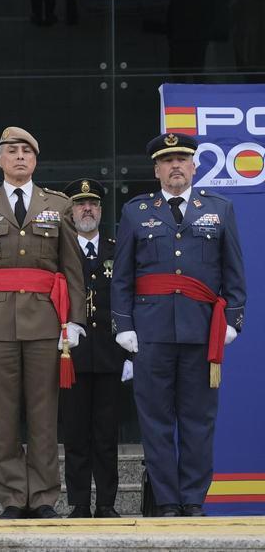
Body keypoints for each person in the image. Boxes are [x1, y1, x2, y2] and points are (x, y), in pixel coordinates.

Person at [110, 132, 246, 517]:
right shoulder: (136, 211)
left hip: (202, 332)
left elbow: (234, 272)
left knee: (198, 420)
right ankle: (167, 501)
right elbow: (122, 276)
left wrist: (233, 320)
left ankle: (193, 499)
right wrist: (123, 325)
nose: (175, 167)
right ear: (156, 169)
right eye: (167, 161)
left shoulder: (219, 209)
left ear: (194, 166)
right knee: (154, 420)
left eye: (182, 160)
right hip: (150, 333)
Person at [0, 126, 86, 519]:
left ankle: (44, 497)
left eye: (27, 152)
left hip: (46, 324)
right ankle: (13, 497)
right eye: (12, 151)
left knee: (45, 415)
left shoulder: (58, 204)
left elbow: (71, 268)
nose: (19, 158)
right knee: (5, 415)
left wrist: (74, 320)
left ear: (36, 160)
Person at [60, 178, 126, 519]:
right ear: (70, 212)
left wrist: (131, 355)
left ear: (101, 210)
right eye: (80, 204)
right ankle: (79, 503)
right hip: (71, 356)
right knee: (75, 433)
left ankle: (106, 503)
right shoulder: (60, 251)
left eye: (94, 204)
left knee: (106, 433)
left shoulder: (118, 249)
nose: (88, 209)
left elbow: (130, 300)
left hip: (111, 355)